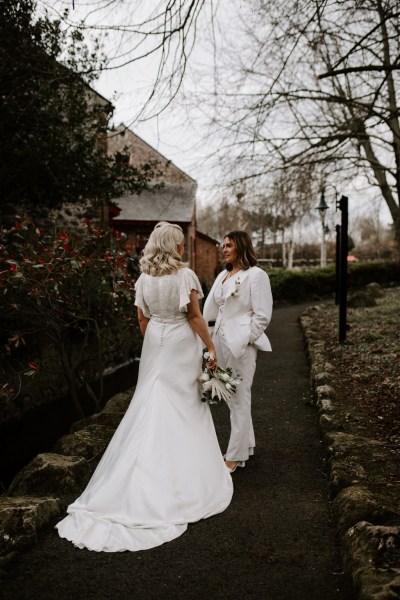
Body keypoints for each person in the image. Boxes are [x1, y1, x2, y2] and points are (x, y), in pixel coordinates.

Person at [56, 222, 233, 552]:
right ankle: (183, 478)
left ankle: (135, 470)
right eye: (180, 243)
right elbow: (195, 316)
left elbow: (141, 318)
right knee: (183, 405)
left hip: (155, 341)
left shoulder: (144, 278)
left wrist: (154, 344)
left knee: (151, 399)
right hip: (181, 340)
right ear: (173, 246)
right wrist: (210, 348)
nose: (182, 248)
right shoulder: (184, 277)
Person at [203, 231, 273, 473]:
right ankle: (247, 445)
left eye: (229, 245)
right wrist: (206, 342)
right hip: (219, 342)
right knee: (232, 397)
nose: (224, 249)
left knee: (240, 397)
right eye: (223, 245)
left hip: (240, 345)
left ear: (241, 247)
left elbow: (263, 315)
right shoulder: (223, 274)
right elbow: (210, 310)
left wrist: (246, 338)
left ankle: (234, 455)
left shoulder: (256, 276)